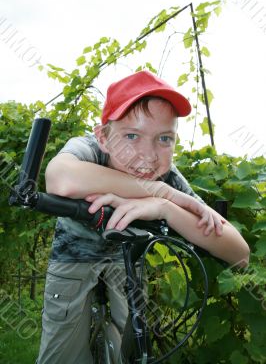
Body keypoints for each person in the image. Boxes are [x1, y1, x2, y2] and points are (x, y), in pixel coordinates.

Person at [37, 70, 250, 364]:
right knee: (62, 354)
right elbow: (60, 179)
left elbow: (239, 253)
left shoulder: (168, 179)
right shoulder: (88, 150)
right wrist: (158, 190)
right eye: (131, 136)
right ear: (103, 137)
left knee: (133, 344)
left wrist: (164, 207)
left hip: (129, 261)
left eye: (164, 138)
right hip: (73, 257)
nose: (148, 156)